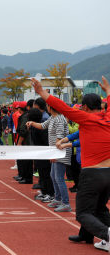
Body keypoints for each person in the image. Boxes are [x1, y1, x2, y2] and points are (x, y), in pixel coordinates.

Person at [31, 76, 110, 251]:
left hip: (93, 173)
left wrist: (42, 92)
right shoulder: (108, 117)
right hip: (108, 172)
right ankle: (105, 239)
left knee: (83, 214)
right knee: (100, 208)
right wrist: (108, 91)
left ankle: (107, 234)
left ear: (86, 108)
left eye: (82, 106)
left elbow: (63, 107)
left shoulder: (86, 118)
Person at [27, 102, 72, 212]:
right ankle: (57, 199)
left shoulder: (60, 119)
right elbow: (42, 126)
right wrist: (32, 123)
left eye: (48, 105)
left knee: (59, 178)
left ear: (51, 107)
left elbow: (60, 137)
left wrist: (55, 154)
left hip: (60, 152)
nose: (46, 107)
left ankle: (65, 203)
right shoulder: (52, 118)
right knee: (53, 175)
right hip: (55, 151)